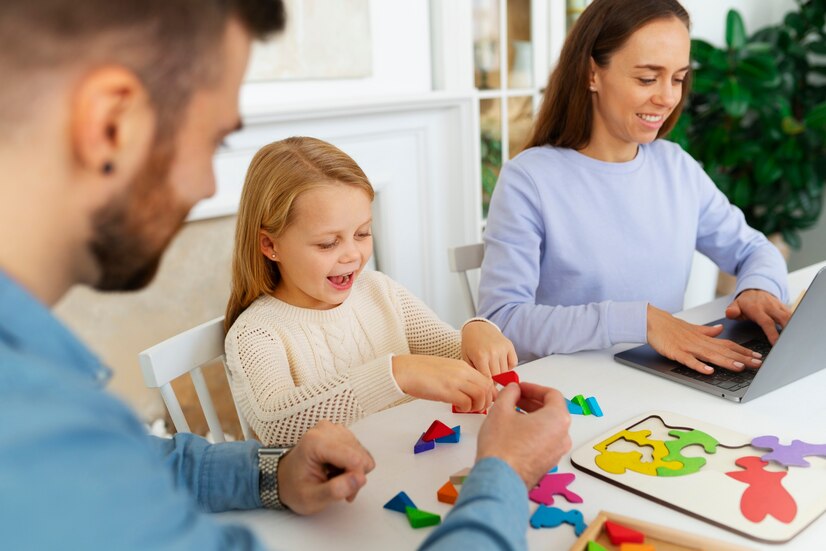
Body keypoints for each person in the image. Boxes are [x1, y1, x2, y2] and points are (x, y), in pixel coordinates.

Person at [0, 1, 571, 549]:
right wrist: (502, 472)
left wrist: (473, 331)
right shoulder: (43, 433)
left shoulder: (62, 405)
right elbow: (276, 420)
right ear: (110, 122)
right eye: (211, 140)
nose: (206, 187)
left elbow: (156, 461)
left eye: (361, 234)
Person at [478, 0, 791, 373]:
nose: (667, 97)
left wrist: (759, 287)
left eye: (677, 78)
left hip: (662, 378)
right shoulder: (529, 179)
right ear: (592, 74)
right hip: (572, 394)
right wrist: (641, 320)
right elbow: (503, 321)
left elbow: (753, 248)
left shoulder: (675, 167)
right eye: (647, 78)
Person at [224, 137, 517, 445]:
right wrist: (396, 373)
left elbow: (450, 355)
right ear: (270, 245)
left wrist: (477, 331)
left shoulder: (379, 290)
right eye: (328, 243)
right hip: (343, 487)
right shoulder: (256, 333)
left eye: (362, 233)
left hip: (411, 464)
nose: (352, 254)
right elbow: (278, 426)